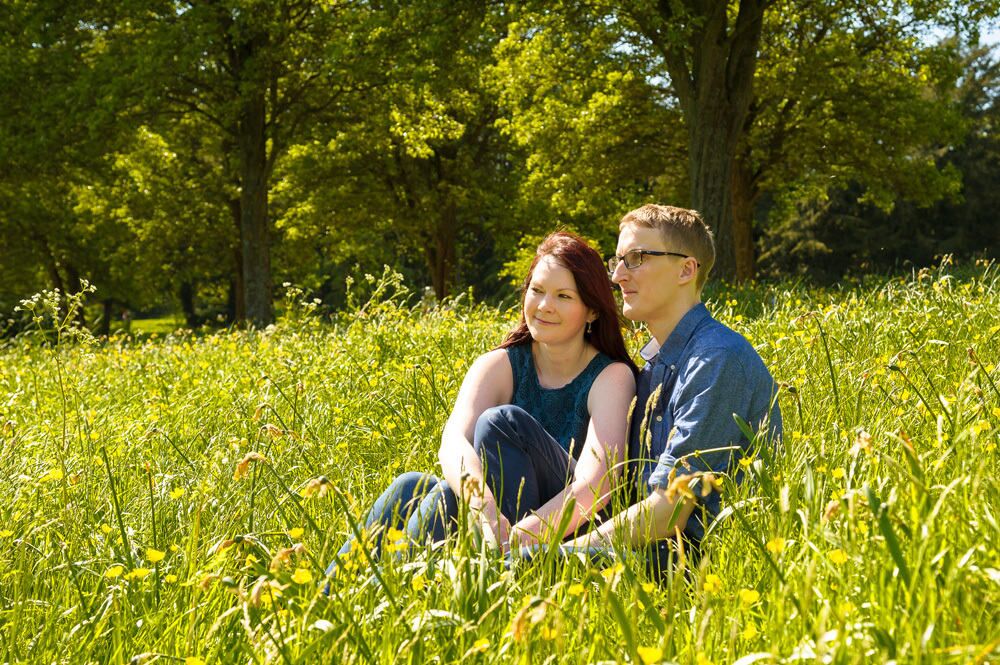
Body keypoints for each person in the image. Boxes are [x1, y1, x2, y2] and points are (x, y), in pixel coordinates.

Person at [328, 232, 637, 572]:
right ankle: (337, 600)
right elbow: (453, 443)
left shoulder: (611, 376)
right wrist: (483, 507)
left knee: (500, 423)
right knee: (416, 486)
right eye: (536, 290)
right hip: (495, 527)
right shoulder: (500, 363)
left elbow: (598, 485)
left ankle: (407, 591)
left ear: (592, 310)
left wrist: (519, 538)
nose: (545, 305)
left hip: (564, 532)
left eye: (563, 296)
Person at [552, 204, 783, 576]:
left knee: (518, 563)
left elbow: (669, 511)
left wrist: (554, 552)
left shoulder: (716, 359)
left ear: (686, 270)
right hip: (635, 538)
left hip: (683, 559)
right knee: (429, 485)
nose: (616, 275)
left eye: (636, 258)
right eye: (618, 260)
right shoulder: (656, 364)